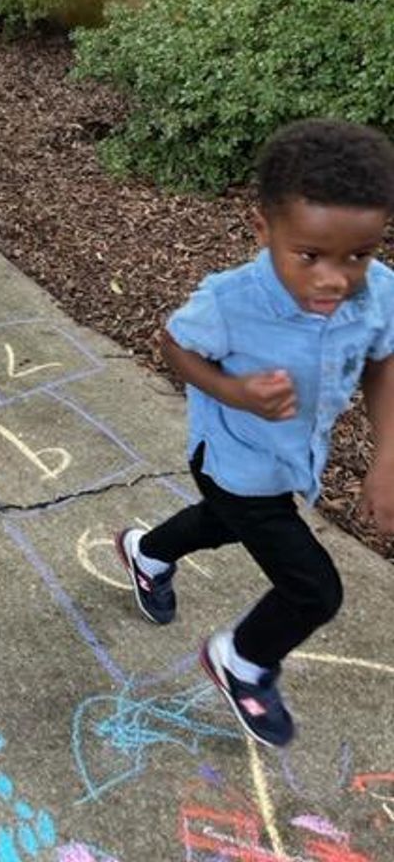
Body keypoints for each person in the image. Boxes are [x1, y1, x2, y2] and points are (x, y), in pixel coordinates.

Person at [115, 119, 394, 749]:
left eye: (359, 254)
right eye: (311, 256)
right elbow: (176, 345)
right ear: (264, 230)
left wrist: (388, 455)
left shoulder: (377, 293)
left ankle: (146, 553)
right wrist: (235, 392)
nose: (335, 278)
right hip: (233, 458)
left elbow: (384, 358)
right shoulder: (229, 301)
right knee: (313, 590)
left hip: (289, 461)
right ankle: (241, 660)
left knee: (221, 522)